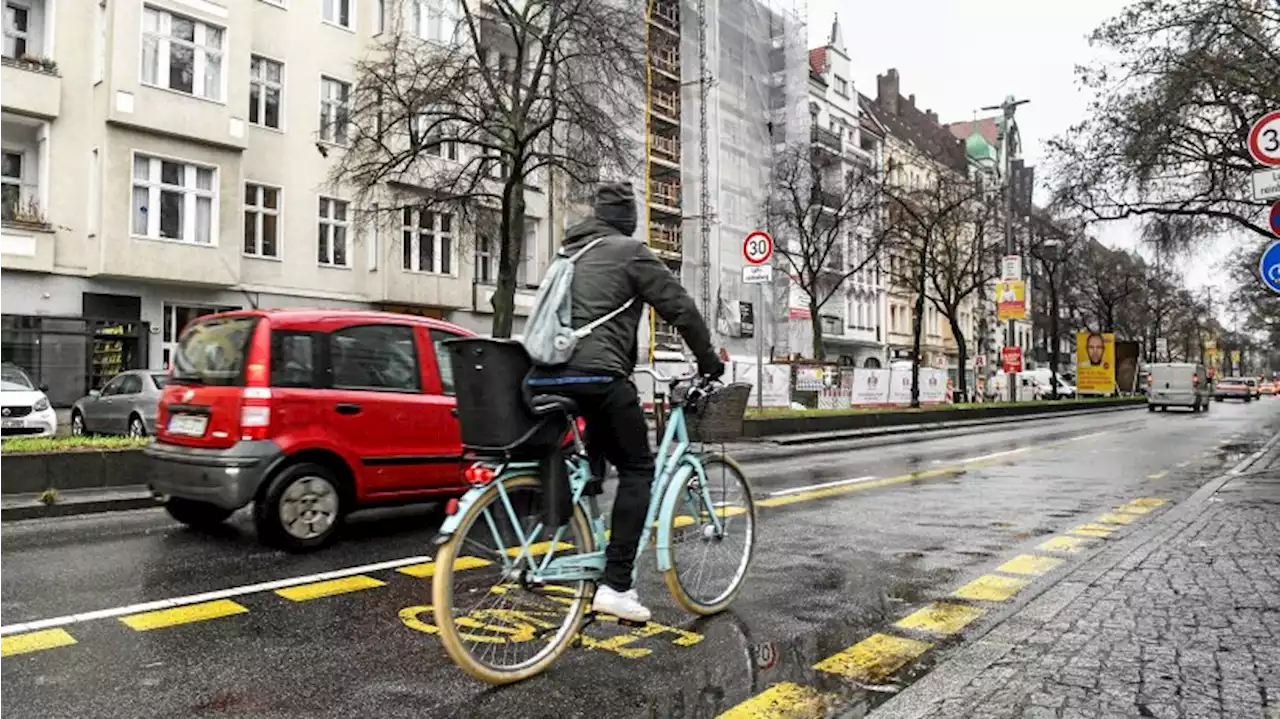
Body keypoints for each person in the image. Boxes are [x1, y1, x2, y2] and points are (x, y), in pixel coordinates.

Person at [528, 181, 723, 623]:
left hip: (543, 374)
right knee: (638, 468)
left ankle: (587, 530)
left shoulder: (567, 253)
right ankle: (617, 584)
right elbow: (682, 309)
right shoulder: (630, 252)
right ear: (628, 219)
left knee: (595, 453)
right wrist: (709, 361)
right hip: (598, 375)